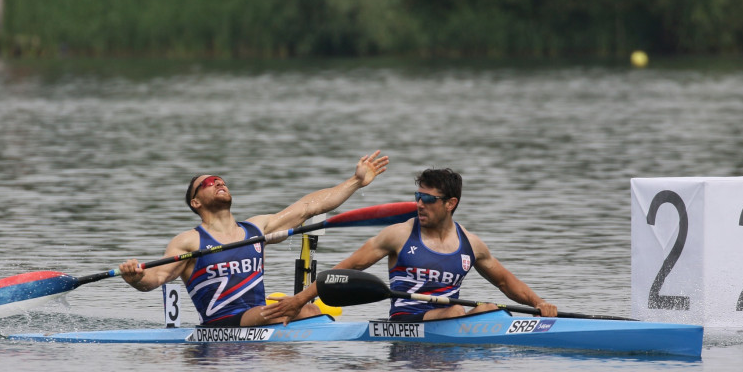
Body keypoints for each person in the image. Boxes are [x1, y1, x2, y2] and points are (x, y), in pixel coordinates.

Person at [118, 151, 390, 326]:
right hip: (222, 323)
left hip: (259, 316)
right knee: (303, 312)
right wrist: (135, 277)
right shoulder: (188, 242)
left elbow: (309, 207)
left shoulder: (256, 229)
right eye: (209, 182)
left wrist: (355, 181)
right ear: (195, 202)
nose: (219, 183)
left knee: (309, 311)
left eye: (221, 180)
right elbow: (155, 280)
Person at [260, 168, 557, 323]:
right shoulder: (398, 235)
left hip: (448, 323)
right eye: (418, 196)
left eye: (428, 199)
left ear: (450, 204)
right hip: (407, 323)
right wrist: (300, 300)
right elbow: (345, 269)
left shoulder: (471, 243)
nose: (419, 204)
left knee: (490, 308)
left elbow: (505, 281)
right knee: (460, 312)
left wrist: (539, 304)